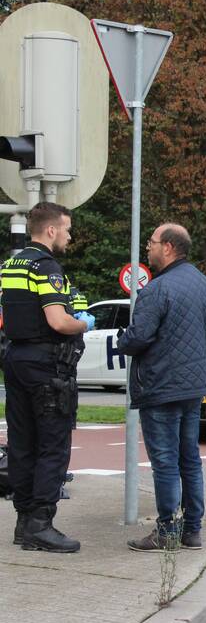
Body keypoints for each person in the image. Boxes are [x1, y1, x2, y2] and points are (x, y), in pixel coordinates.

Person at [1, 203, 95, 552]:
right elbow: (58, 321)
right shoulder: (47, 267)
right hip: (46, 365)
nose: (70, 236)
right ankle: (42, 525)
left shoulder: (10, 264)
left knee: (22, 445)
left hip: (16, 360)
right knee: (53, 446)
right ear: (51, 230)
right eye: (67, 229)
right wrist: (85, 322)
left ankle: (24, 523)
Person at [119, 223, 206, 550]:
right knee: (189, 458)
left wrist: (123, 339)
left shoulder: (158, 290)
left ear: (169, 247)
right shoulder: (205, 286)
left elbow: (138, 338)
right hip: (192, 387)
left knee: (164, 461)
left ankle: (166, 530)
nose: (148, 248)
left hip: (160, 387)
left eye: (152, 242)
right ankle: (192, 531)